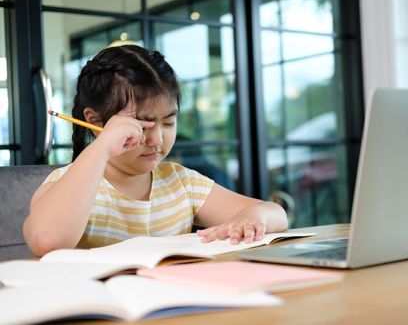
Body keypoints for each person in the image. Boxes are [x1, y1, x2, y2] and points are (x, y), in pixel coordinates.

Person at [23, 45, 288, 257]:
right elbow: (46, 241)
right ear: (95, 122)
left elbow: (276, 214)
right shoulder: (70, 184)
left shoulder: (181, 183)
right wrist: (103, 147)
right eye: (141, 125)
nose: (157, 139)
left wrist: (252, 217)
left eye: (169, 122)